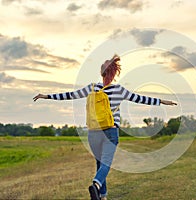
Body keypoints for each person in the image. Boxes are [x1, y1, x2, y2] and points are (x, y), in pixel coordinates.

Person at [33, 54, 177, 200]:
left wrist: (47, 96)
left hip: (93, 133)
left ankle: (103, 196)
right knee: (106, 163)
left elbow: (71, 95)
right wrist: (162, 101)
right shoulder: (119, 90)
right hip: (110, 130)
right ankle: (96, 185)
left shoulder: (92, 88)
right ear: (114, 73)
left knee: (100, 163)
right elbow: (141, 99)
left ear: (101, 73)